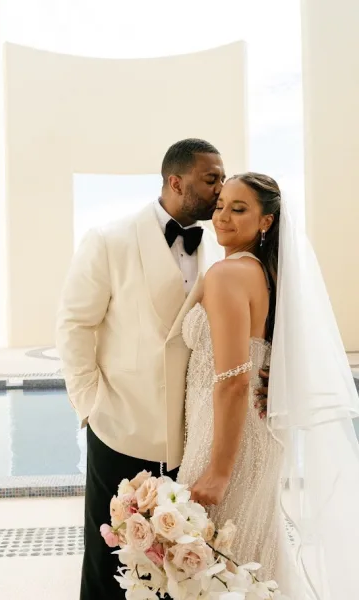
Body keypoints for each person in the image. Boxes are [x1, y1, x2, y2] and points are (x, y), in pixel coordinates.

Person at [57, 139, 232, 600]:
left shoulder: (217, 248)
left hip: (191, 435)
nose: (221, 189)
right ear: (176, 182)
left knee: (178, 561)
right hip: (121, 426)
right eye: (211, 178)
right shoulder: (108, 240)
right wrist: (90, 404)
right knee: (109, 557)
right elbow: (75, 324)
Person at [177, 172, 359, 600]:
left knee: (217, 569)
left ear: (267, 222)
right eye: (220, 205)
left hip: (225, 440)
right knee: (250, 563)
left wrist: (219, 471)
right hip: (256, 437)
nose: (222, 216)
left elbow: (234, 380)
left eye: (239, 209)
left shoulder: (227, 274)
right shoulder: (269, 275)